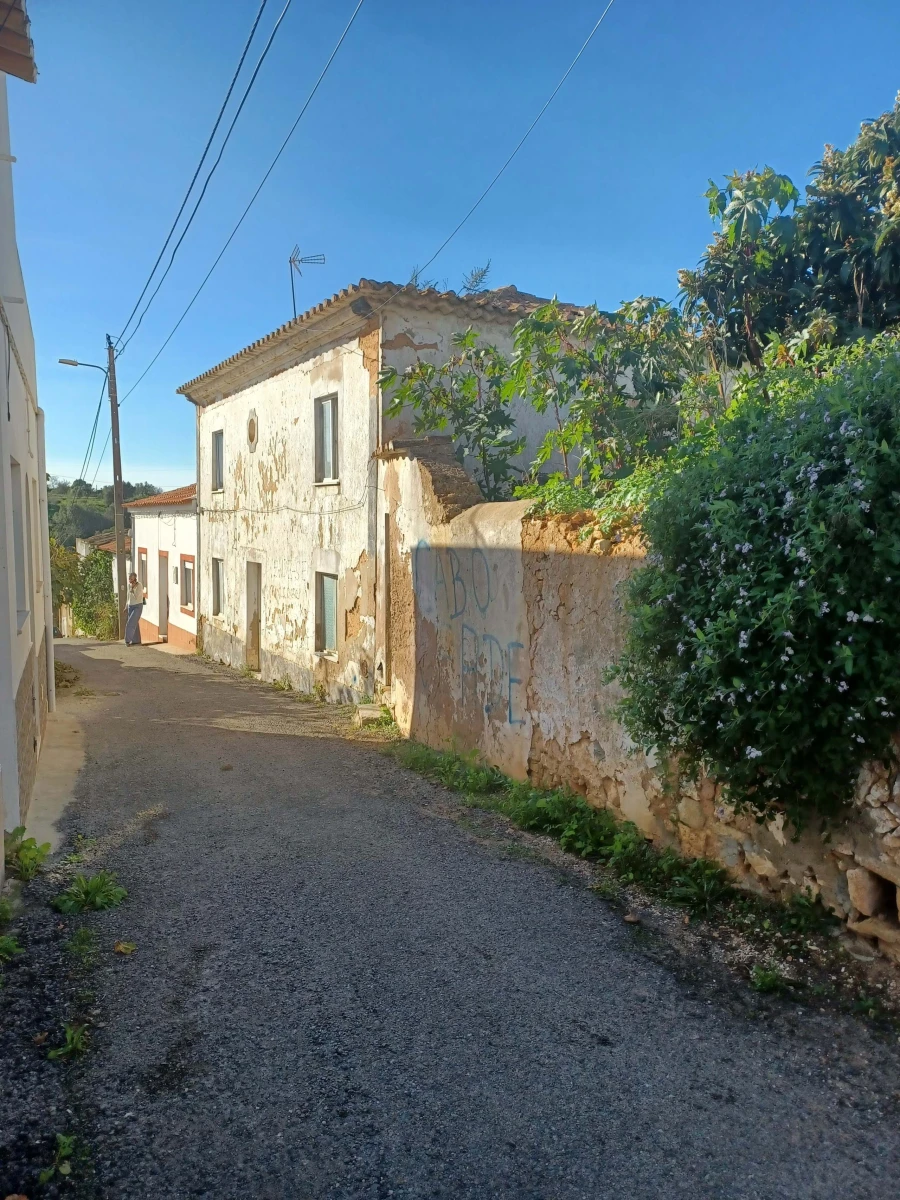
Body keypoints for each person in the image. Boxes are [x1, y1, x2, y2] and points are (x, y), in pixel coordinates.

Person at [125, 572, 144, 645]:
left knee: (131, 623)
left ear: (135, 578)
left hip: (138, 605)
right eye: (129, 578)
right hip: (130, 605)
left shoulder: (139, 585)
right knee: (134, 623)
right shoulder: (129, 585)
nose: (130, 580)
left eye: (131, 578)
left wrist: (133, 589)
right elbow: (128, 596)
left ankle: (127, 640)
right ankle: (136, 640)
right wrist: (126, 606)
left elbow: (137, 596)